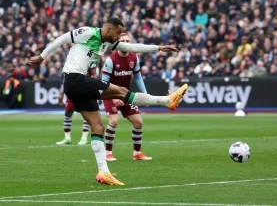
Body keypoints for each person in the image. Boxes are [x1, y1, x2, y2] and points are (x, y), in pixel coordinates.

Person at [28, 17, 188, 186]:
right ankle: (167, 101)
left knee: (98, 127)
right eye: (118, 32)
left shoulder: (107, 43)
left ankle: (103, 172)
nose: (119, 37)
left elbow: (131, 47)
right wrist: (42, 55)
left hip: (76, 86)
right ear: (108, 29)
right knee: (121, 92)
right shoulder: (88, 32)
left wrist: (158, 48)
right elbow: (62, 39)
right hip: (75, 79)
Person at [102, 33, 152, 161]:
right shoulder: (110, 60)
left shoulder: (134, 57)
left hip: (125, 94)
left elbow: (138, 77)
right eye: (123, 41)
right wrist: (113, 97)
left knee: (138, 123)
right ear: (117, 43)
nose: (125, 43)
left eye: (127, 41)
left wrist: (145, 95)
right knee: (113, 121)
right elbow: (104, 83)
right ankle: (107, 153)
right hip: (109, 94)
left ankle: (137, 153)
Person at [55, 63, 97, 145]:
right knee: (68, 112)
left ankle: (84, 138)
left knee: (86, 113)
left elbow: (94, 75)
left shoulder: (90, 60)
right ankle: (67, 138)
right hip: (73, 89)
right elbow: (66, 78)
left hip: (85, 90)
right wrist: (62, 94)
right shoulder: (71, 60)